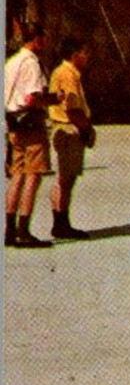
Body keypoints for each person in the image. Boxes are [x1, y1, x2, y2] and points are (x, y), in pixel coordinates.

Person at [5, 21, 56, 248]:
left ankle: (9, 228)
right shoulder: (31, 64)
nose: (44, 43)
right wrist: (53, 100)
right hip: (31, 123)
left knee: (17, 174)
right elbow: (32, 97)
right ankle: (24, 230)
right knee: (33, 175)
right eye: (42, 39)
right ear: (36, 40)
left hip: (13, 121)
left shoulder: (11, 62)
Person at [47, 37, 95, 241]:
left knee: (65, 178)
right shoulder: (67, 74)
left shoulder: (66, 72)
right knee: (66, 179)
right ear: (75, 54)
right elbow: (72, 107)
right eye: (84, 52)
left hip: (64, 127)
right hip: (69, 128)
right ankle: (61, 223)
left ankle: (61, 221)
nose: (88, 56)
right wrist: (86, 130)